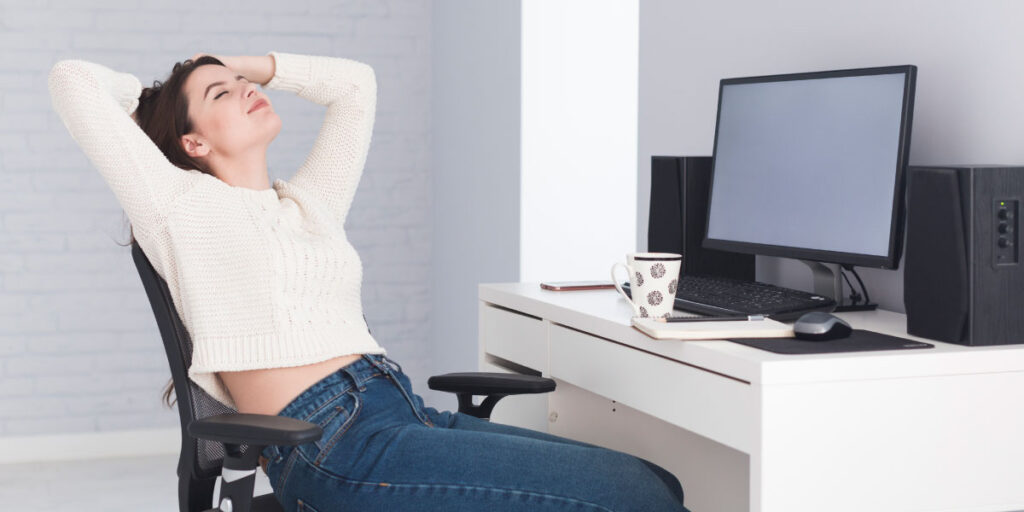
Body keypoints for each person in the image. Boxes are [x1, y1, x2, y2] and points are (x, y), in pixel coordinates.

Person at [47, 50, 690, 512]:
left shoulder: (308, 203)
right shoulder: (177, 207)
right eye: (222, 94)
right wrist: (152, 93)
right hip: (329, 443)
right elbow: (71, 80)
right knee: (632, 499)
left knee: (656, 482)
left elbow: (355, 85)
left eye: (243, 82)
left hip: (397, 408)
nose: (244, 88)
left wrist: (243, 64)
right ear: (191, 143)